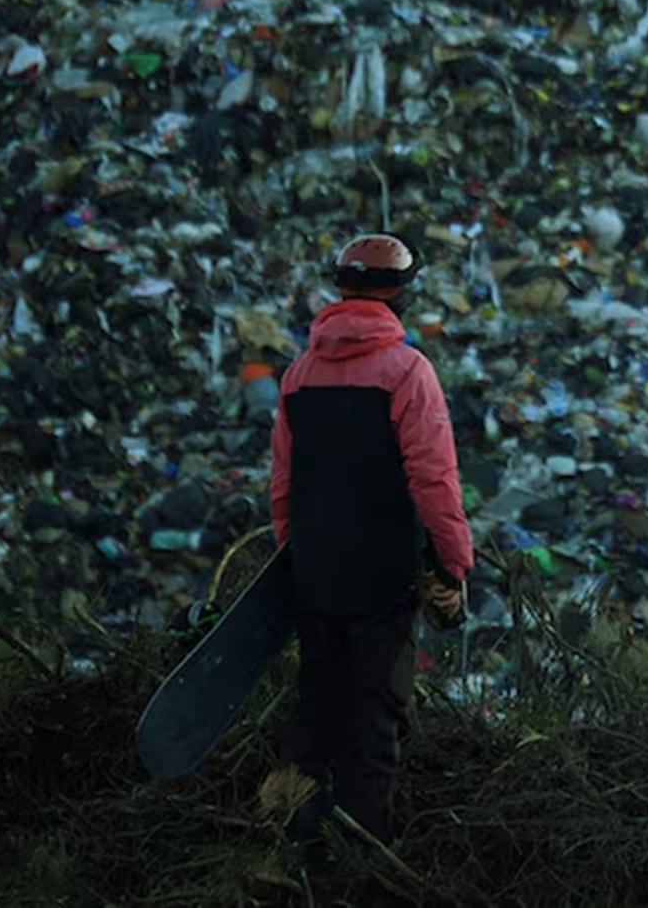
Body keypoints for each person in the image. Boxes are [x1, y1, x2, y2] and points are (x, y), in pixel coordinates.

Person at [268, 232, 474, 850]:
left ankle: (295, 850)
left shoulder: (299, 375)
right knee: (374, 726)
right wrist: (454, 563)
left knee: (316, 712)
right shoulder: (408, 371)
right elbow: (433, 477)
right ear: (400, 295)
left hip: (315, 574)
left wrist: (294, 558)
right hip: (383, 577)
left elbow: (282, 484)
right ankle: (365, 865)